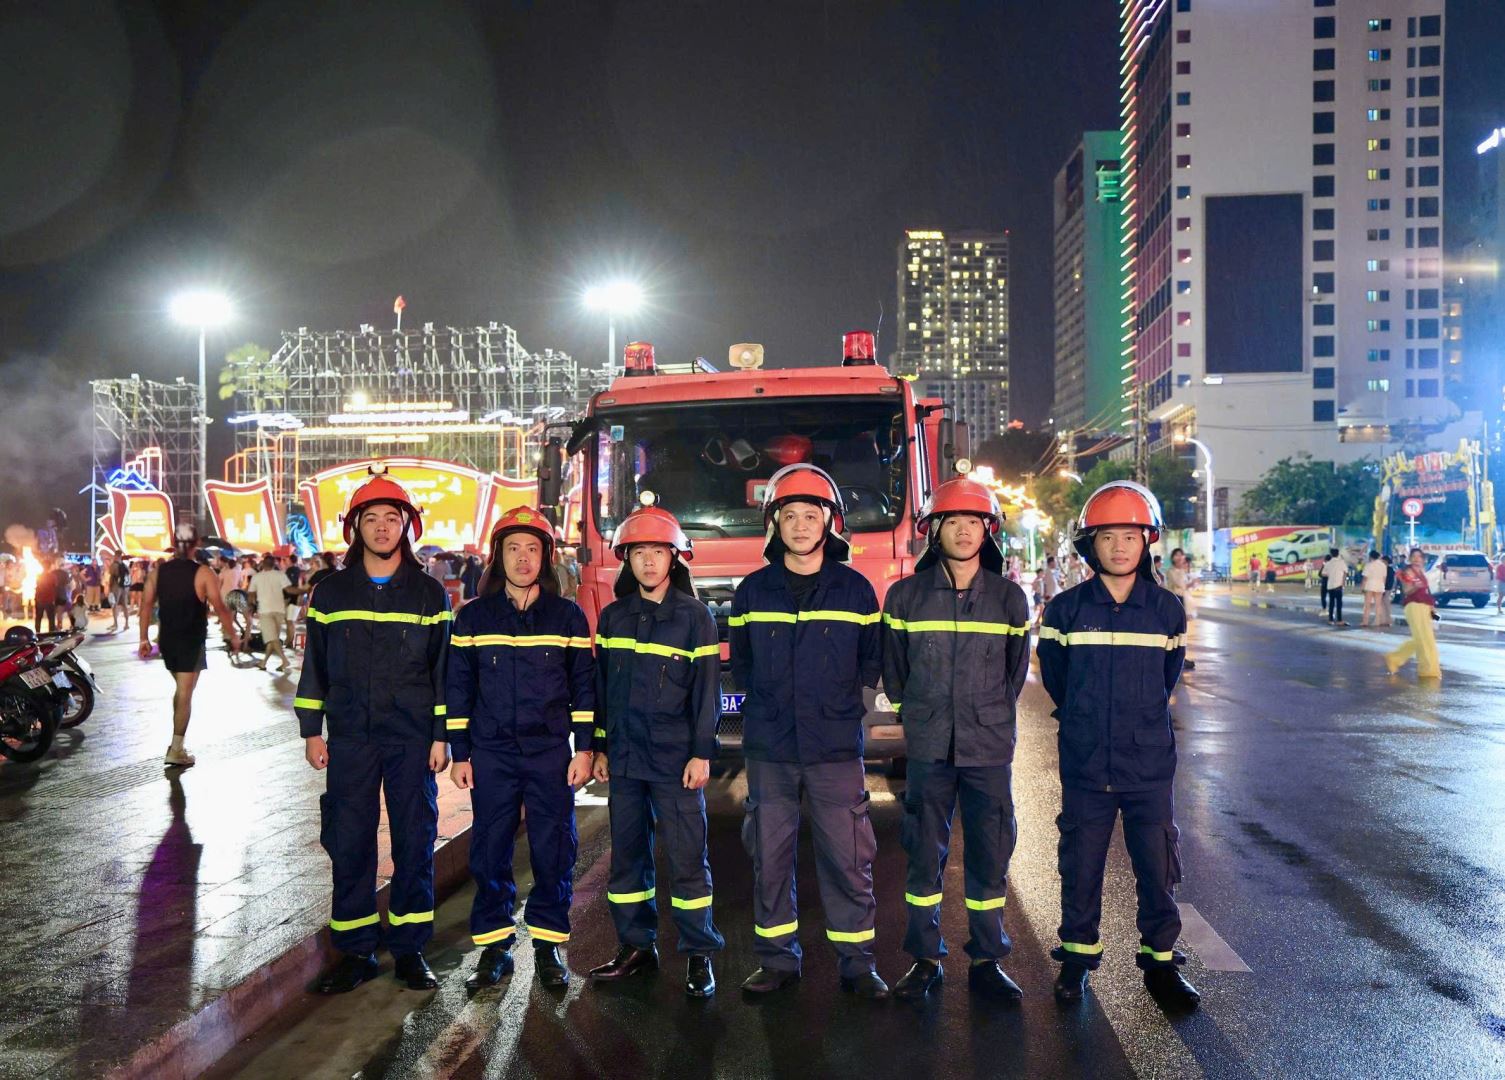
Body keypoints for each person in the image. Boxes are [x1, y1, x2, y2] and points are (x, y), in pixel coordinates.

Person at [1037, 480, 1199, 1010]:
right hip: (1086, 762)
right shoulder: (1064, 610)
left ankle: (1161, 965)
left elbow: (1167, 677)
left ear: (1147, 541)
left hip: (1147, 763)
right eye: (1107, 537)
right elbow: (1056, 679)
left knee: (1157, 866)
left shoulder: (1167, 610)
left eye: (1130, 536)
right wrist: (1086, 718)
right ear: (1091, 544)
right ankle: (1077, 961)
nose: (1119, 547)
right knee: (1080, 865)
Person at [729, 464, 887, 999]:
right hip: (770, 748)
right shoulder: (752, 592)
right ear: (775, 523)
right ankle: (778, 961)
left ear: (829, 523)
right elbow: (742, 666)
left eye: (810, 516)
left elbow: (870, 662)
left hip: (834, 747)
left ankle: (857, 964)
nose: (800, 525)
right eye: (790, 515)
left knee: (848, 858)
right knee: (769, 858)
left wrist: (844, 707)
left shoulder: (856, 590)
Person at [295, 469, 453, 995]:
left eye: (392, 518)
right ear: (355, 528)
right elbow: (315, 667)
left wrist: (441, 735)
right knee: (349, 840)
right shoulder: (330, 593)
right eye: (371, 519)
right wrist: (312, 731)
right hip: (350, 736)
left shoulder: (429, 594)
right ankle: (357, 951)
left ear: (407, 526)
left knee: (415, 839)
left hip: (411, 738)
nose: (382, 527)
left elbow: (443, 671)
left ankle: (410, 950)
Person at [881, 478, 1030, 1002]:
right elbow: (895, 672)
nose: (964, 531)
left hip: (987, 747)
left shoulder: (1009, 598)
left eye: (973, 522)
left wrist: (987, 715)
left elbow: (1015, 674)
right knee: (924, 852)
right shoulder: (905, 596)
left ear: (987, 531)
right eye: (952, 522)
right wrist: (918, 715)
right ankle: (925, 958)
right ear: (934, 530)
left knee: (990, 853)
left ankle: (988, 959)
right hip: (928, 747)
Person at [446, 505, 595, 993]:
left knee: (554, 847)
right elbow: (458, 688)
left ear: (546, 557)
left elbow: (584, 687)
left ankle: (549, 945)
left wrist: (584, 749)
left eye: (532, 548)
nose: (523, 557)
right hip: (491, 753)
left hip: (549, 751)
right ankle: (494, 948)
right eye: (513, 548)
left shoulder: (567, 616)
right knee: (490, 848)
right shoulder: (473, 617)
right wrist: (461, 753)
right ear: (498, 556)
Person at [588, 506, 723, 997]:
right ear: (627, 559)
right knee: (627, 859)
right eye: (639, 552)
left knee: (687, 858)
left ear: (675, 558)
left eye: (658, 552)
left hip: (675, 759)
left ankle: (699, 954)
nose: (648, 561)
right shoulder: (613, 617)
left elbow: (707, 693)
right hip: (625, 758)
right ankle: (636, 947)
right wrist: (599, 746)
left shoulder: (695, 618)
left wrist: (701, 753)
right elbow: (602, 689)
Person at [138, 523, 241, 767]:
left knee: (182, 689)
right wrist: (233, 634)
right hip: (190, 640)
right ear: (196, 545)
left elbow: (145, 605)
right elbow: (220, 607)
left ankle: (177, 742)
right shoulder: (204, 573)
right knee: (185, 692)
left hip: (167, 641)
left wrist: (144, 638)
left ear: (174, 544)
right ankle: (176, 749)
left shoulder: (157, 572)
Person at [1385, 548, 1441, 679]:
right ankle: (1426, 669)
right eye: (1414, 556)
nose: (1416, 559)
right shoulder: (1408, 572)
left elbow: (1426, 592)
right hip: (1413, 606)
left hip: (1425, 606)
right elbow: (1407, 590)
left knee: (1427, 639)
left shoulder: (1422, 572)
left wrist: (1432, 608)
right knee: (1422, 639)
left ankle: (1428, 669)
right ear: (1410, 559)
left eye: (1419, 557)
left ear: (1423, 559)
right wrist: (1416, 586)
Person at [250, 554, 292, 673]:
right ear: (274, 564)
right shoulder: (280, 575)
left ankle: (284, 660)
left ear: (263, 563)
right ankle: (263, 662)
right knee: (273, 639)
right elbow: (289, 589)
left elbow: (251, 594)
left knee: (272, 638)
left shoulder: (256, 577)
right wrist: (303, 589)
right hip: (279, 610)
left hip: (265, 611)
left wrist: (251, 606)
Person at [1166, 548, 1196, 671]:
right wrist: (1190, 582)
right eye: (1176, 555)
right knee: (1175, 632)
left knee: (1182, 632)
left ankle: (1181, 658)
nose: (1179, 557)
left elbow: (1188, 587)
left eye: (1181, 555)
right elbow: (1180, 584)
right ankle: (1175, 659)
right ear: (1172, 558)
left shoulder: (1183, 571)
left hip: (1184, 601)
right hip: (1175, 601)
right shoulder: (1171, 571)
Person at [1321, 548, 1348, 626]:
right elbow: (1345, 572)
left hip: (1330, 585)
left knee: (1331, 603)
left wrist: (1330, 574)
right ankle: (1339, 620)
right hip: (1339, 585)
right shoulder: (1341, 562)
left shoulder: (1328, 563)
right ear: (1338, 554)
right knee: (1339, 604)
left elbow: (1323, 573)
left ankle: (1330, 620)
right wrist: (1343, 582)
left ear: (1331, 554)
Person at [1360, 550, 1387, 628]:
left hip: (1370, 586)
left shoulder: (1369, 565)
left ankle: (1365, 621)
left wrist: (1362, 587)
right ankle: (1377, 621)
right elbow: (1384, 577)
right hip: (1380, 586)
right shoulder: (1383, 565)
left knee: (1367, 605)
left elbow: (1365, 578)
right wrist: (1383, 586)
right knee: (1378, 605)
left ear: (1371, 556)